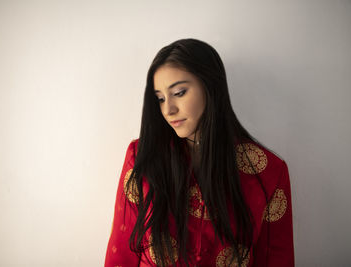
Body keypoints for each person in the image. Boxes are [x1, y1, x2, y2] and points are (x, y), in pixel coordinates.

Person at [105, 38, 294, 267]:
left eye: (180, 92)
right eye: (160, 99)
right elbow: (121, 256)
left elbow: (276, 260)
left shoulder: (268, 173)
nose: (168, 109)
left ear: (210, 86)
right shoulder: (142, 156)